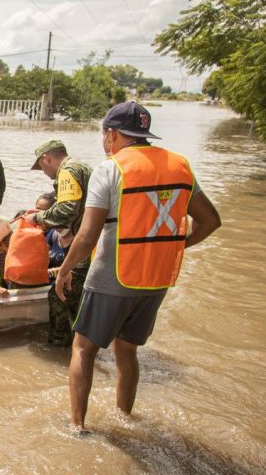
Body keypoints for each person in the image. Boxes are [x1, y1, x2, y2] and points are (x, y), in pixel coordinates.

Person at [54, 101, 221, 432]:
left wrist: (64, 271)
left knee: (83, 348)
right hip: (157, 278)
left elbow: (87, 236)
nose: (104, 142)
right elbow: (210, 221)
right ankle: (125, 417)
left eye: (105, 135)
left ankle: (76, 428)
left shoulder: (111, 168)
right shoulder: (181, 166)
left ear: (113, 134)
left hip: (113, 276)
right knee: (127, 350)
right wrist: (175, 246)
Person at [28, 139, 94, 347]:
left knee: (60, 294)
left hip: (87, 247)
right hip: (94, 243)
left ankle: (61, 348)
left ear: (47, 158)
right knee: (78, 299)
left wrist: (38, 218)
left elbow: (66, 210)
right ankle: (81, 345)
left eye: (42, 167)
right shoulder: (81, 167)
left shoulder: (67, 171)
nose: (44, 172)